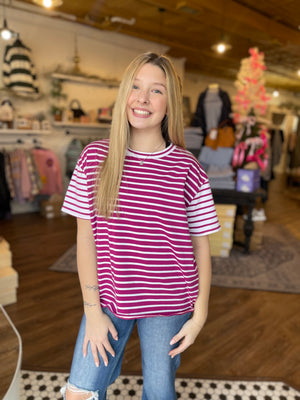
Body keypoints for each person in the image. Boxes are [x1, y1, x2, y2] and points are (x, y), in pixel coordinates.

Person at [60, 52, 220, 400]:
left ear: (169, 104)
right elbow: (85, 241)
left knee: (160, 394)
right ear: (124, 94)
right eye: (135, 86)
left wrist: (200, 315)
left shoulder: (187, 167)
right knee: (80, 392)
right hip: (108, 302)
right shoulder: (95, 158)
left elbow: (201, 245)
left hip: (171, 301)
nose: (143, 99)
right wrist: (93, 312)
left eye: (156, 90)